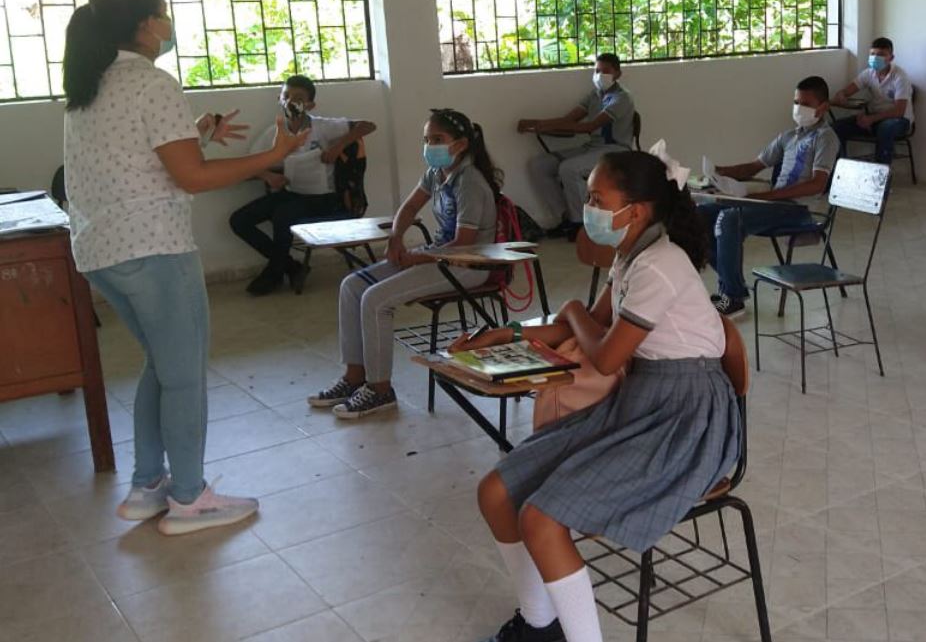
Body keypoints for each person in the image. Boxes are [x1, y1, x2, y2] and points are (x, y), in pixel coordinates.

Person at [62, 0, 310, 535]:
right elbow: (192, 177)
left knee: (161, 363)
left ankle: (147, 486)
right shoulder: (151, 82)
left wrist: (196, 135)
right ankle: (189, 498)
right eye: (163, 12)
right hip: (153, 248)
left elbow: (133, 159)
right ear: (147, 23)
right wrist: (273, 154)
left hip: (101, 250)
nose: (168, 23)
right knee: (184, 374)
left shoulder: (89, 85)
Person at [459, 150, 740, 642]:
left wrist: (571, 311)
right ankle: (538, 625)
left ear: (635, 210)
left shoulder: (660, 264)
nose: (586, 208)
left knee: (542, 519)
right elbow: (590, 325)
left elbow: (605, 356)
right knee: (496, 492)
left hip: (687, 417)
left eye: (595, 199)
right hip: (640, 402)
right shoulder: (632, 256)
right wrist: (506, 334)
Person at [308, 108, 500, 419]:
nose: (430, 146)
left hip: (467, 266)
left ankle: (380, 390)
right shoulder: (436, 173)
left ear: (461, 144)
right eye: (426, 139)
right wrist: (396, 239)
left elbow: (464, 244)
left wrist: (417, 258)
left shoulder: (470, 182)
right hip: (438, 256)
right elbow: (409, 208)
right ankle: (354, 377)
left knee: (376, 299)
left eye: (437, 139)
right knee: (352, 286)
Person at [696, 75, 840, 318]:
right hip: (776, 203)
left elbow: (817, 184)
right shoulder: (789, 136)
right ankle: (732, 286)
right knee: (700, 214)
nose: (799, 108)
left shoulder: (826, 137)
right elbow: (753, 167)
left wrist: (772, 195)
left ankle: (732, 297)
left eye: (806, 104)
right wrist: (717, 172)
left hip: (799, 209)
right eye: (796, 102)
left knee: (729, 219)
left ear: (823, 107)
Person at [229, 75, 376, 295]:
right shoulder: (274, 132)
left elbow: (367, 125)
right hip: (293, 193)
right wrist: (268, 176)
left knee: (283, 215)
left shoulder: (323, 127)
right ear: (279, 99)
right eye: (286, 96)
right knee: (239, 220)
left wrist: (337, 147)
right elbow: (249, 165)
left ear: (310, 105)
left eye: (298, 98)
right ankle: (291, 266)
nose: (290, 101)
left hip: (325, 197)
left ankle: (273, 274)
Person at [518, 53, 635, 239]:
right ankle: (563, 219)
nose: (600, 75)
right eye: (597, 71)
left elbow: (590, 126)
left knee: (569, 169)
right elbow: (569, 120)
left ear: (618, 74)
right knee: (539, 165)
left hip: (615, 150)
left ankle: (581, 224)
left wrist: (542, 125)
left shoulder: (622, 98)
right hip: (592, 147)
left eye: (606, 71)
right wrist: (534, 123)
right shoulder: (594, 95)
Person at [831, 36, 914, 163]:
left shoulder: (900, 77)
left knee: (885, 129)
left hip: (899, 121)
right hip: (874, 118)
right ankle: (840, 169)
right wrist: (841, 95)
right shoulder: (868, 74)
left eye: (881, 54)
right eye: (872, 54)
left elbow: (899, 111)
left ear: (891, 58)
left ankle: (880, 173)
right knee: (836, 128)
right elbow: (846, 91)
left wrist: (871, 119)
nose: (875, 58)